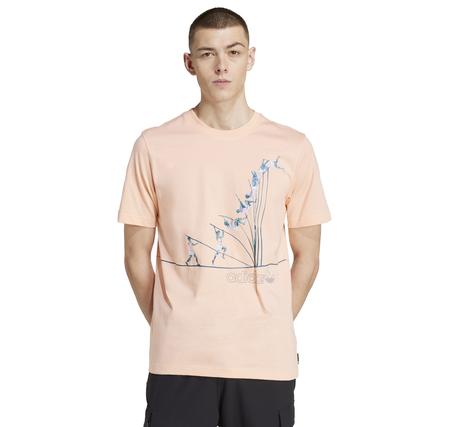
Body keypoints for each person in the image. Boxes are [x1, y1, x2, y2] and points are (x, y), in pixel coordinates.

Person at [117, 7, 332, 427]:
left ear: (250, 57)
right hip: (178, 358)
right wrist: (170, 325)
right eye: (207, 54)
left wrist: (272, 323)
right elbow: (134, 256)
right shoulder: (154, 145)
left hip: (265, 361)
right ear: (189, 62)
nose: (221, 65)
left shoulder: (292, 147)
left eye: (233, 52)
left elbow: (308, 256)